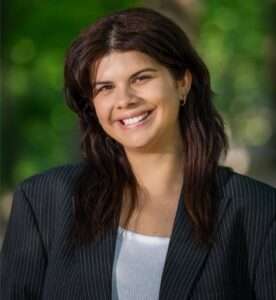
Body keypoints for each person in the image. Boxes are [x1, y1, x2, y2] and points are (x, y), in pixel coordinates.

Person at [0, 6, 275, 300]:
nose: (125, 100)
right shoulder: (43, 202)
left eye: (141, 78)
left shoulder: (257, 211)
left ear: (182, 82)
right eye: (105, 87)